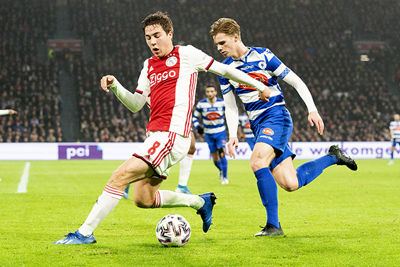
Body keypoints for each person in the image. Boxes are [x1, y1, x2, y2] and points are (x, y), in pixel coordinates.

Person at [54, 12, 271, 245]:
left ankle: (84, 233)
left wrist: (258, 84)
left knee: (119, 177)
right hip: (156, 137)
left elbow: (225, 70)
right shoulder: (148, 66)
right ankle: (200, 202)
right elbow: (136, 104)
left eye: (157, 35)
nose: (152, 42)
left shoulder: (186, 54)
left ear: (170, 34)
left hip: (172, 135)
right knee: (142, 198)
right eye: (148, 38)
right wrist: (116, 85)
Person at [209, 18, 358, 236]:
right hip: (258, 125)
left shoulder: (264, 56)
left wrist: (312, 109)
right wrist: (232, 134)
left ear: (235, 37)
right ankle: (334, 157)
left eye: (222, 42)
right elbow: (231, 107)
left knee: (257, 161)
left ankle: (273, 225)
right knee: (290, 183)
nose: (219, 48)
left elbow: (296, 81)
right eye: (217, 45)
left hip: (276, 116)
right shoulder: (225, 70)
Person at [193, 85, 229, 184]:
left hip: (220, 132)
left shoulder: (222, 103)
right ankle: (221, 170)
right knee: (215, 158)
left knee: (222, 153)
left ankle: (225, 178)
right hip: (208, 134)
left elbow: (229, 114)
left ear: (215, 92)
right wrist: (198, 127)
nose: (210, 93)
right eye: (208, 92)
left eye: (211, 91)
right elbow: (194, 117)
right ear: (206, 93)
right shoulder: (201, 104)